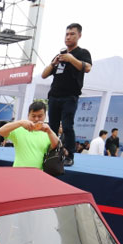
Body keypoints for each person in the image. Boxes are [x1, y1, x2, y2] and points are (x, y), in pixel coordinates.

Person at [41, 23, 92, 167]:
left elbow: (87, 68)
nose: (68, 37)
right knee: (51, 127)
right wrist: (53, 63)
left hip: (70, 96)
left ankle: (69, 155)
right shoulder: (60, 55)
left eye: (72, 34)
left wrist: (71, 59)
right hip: (54, 96)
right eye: (67, 34)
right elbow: (44, 75)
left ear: (79, 36)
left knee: (68, 126)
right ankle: (51, 152)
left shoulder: (82, 53)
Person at [0, 101, 60, 169]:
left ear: (45, 116)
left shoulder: (47, 132)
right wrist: (20, 123)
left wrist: (49, 131)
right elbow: (1, 131)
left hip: (39, 174)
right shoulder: (19, 129)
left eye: (40, 116)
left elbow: (56, 146)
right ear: (28, 115)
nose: (36, 119)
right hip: (19, 171)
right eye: (33, 116)